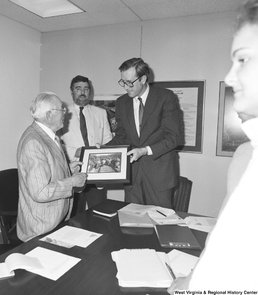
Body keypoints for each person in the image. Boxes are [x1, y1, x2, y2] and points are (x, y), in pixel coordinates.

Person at [168, 0, 258, 290]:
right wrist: (193, 281)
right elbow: (224, 240)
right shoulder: (247, 153)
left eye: (243, 59)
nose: (229, 77)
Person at [106, 58, 181, 208]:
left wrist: (144, 151)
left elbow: (174, 137)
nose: (125, 87)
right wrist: (102, 149)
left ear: (143, 79)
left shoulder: (165, 97)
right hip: (132, 178)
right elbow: (121, 137)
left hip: (159, 176)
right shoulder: (121, 103)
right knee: (132, 223)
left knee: (161, 223)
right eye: (122, 82)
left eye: (129, 82)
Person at [16, 92, 87, 242]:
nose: (65, 113)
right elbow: (40, 192)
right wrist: (73, 181)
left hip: (55, 220)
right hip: (41, 227)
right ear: (49, 115)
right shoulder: (33, 142)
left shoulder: (49, 135)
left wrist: (67, 168)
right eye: (62, 109)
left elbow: (47, 169)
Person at [59, 75, 113, 215]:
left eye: (86, 89)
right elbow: (56, 145)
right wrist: (76, 151)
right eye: (78, 89)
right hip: (73, 172)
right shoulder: (62, 114)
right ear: (72, 92)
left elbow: (108, 140)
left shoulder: (101, 113)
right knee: (74, 217)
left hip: (97, 173)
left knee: (100, 213)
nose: (82, 92)